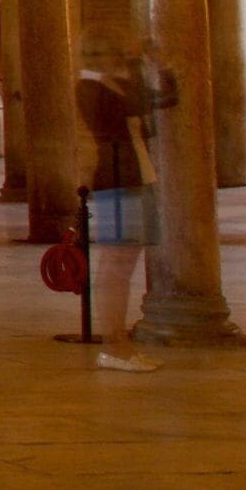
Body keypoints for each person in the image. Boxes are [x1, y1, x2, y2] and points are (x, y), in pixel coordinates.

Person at [75, 37, 166, 373]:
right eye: (111, 51)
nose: (117, 56)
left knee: (124, 266)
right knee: (115, 267)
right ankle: (113, 345)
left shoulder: (115, 84)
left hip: (136, 177)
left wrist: (160, 67)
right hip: (115, 181)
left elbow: (165, 99)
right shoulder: (90, 86)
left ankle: (120, 343)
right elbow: (135, 104)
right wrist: (139, 66)